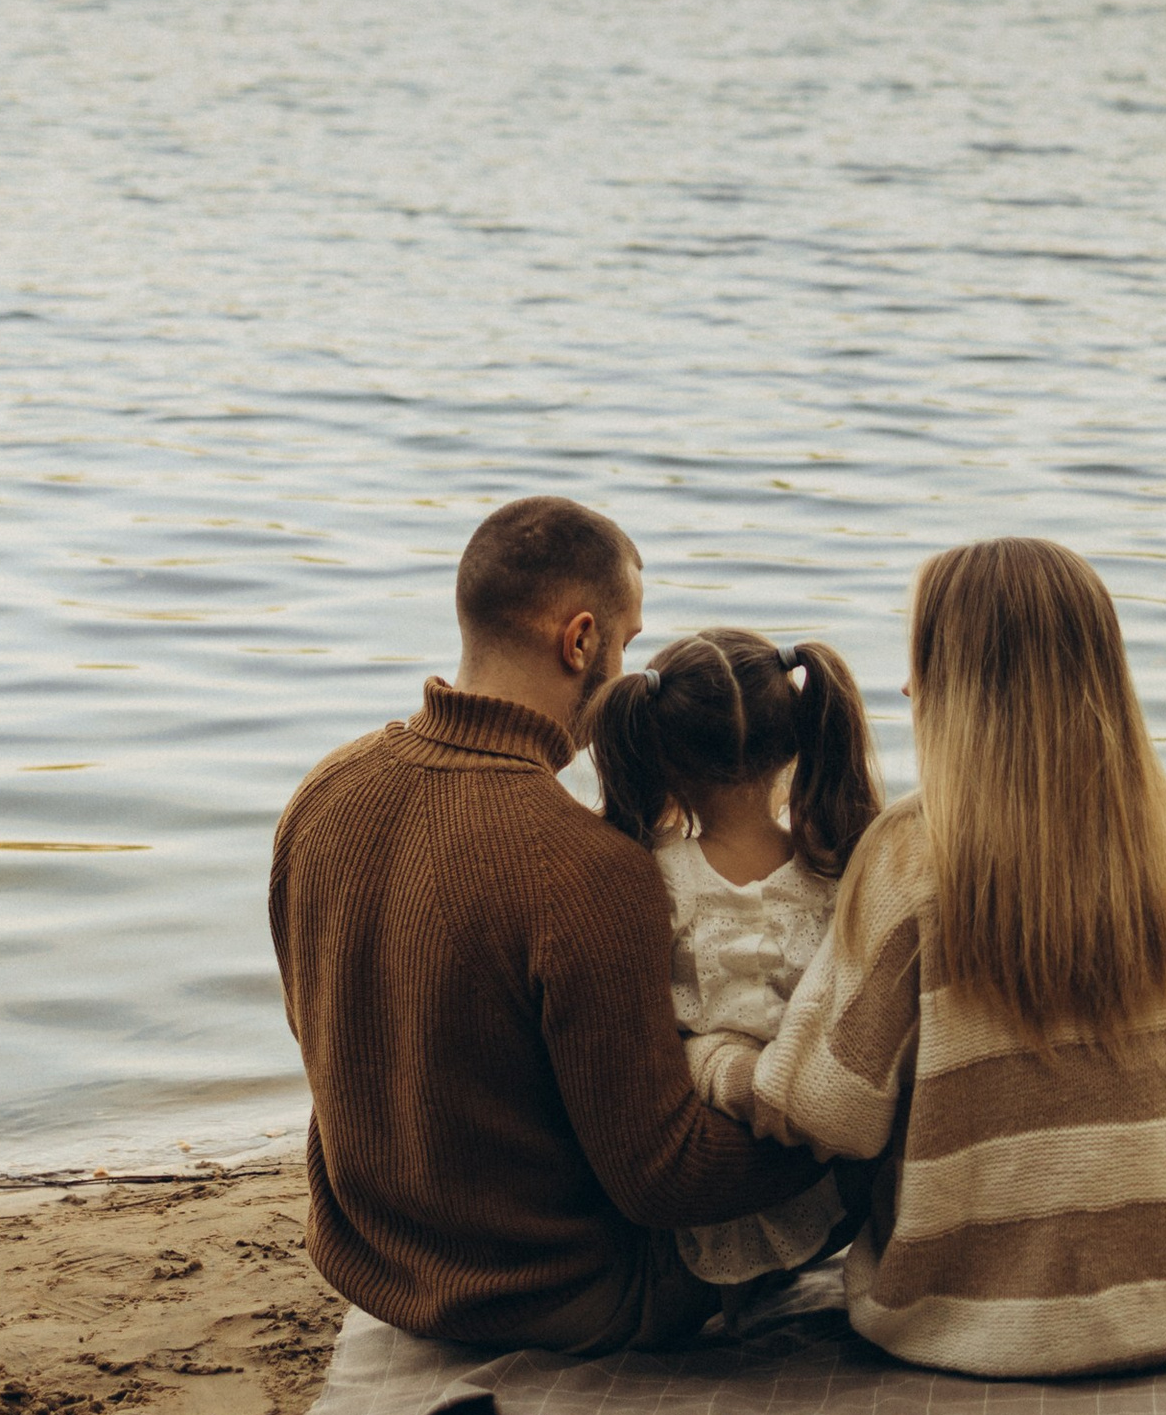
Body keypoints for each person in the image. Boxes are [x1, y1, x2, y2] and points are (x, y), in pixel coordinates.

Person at [687, 536, 1166, 1379]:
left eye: (921, 658)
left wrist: (713, 1059)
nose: (906, 685)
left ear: (960, 679)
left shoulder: (906, 856)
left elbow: (827, 1112)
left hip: (967, 1328)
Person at [268, 495, 825, 1349]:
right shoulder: (587, 869)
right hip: (559, 1292)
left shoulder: (321, 793)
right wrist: (848, 1133)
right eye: (629, 643)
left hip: (373, 1262)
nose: (632, 673)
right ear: (580, 640)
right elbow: (664, 1181)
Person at [590, 626, 881, 1288]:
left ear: (657, 747)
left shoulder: (653, 875)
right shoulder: (840, 867)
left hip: (697, 1178)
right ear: (796, 742)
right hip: (825, 1177)